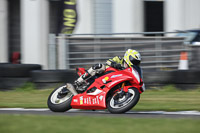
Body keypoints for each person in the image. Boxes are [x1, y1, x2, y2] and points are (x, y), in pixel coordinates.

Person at [75, 49, 145, 91]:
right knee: (100, 66)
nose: (135, 63)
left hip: (113, 81)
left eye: (137, 62)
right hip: (105, 74)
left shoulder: (130, 70)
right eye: (134, 61)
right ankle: (79, 81)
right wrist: (115, 64)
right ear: (128, 57)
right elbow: (108, 61)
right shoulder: (119, 59)